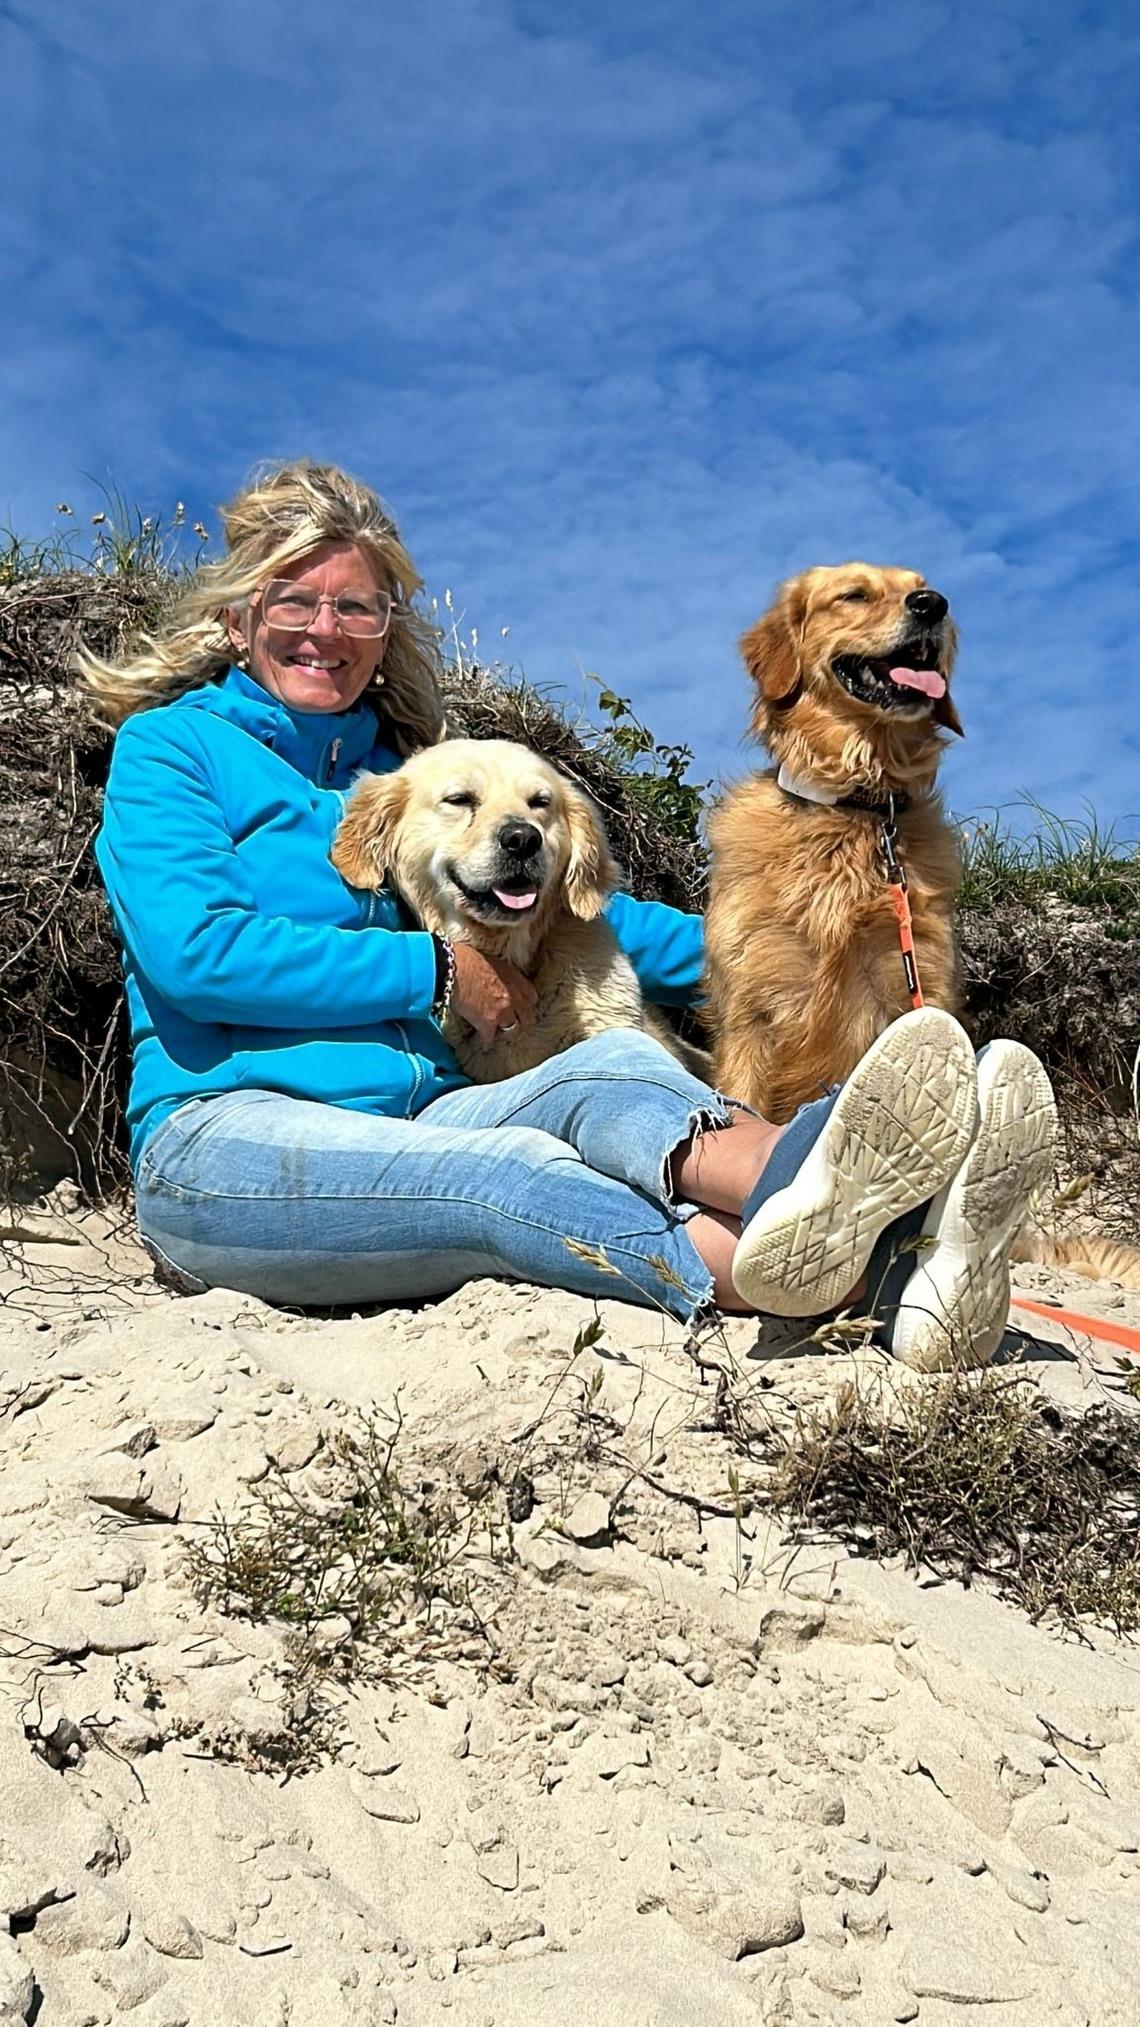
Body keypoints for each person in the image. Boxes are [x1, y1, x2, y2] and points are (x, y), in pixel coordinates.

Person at [82, 460, 1056, 1368]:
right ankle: (882, 1274)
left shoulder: (413, 772)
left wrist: (776, 940)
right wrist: (438, 971)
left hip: (428, 1109)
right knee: (513, 1172)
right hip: (227, 1137)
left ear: (386, 628)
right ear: (239, 616)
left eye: (357, 606)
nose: (325, 630)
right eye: (295, 600)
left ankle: (846, 1191)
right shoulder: (173, 750)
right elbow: (196, 952)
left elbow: (580, 918)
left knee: (615, 1063)